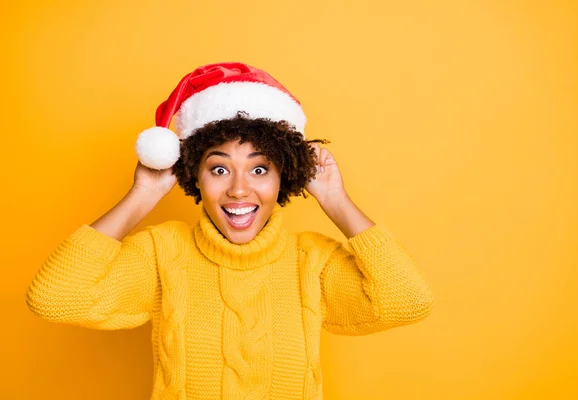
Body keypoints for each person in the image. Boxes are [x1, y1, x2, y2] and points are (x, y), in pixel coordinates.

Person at [26, 62, 434, 399]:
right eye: (219, 169)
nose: (239, 189)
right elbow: (55, 297)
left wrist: (335, 200)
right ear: (194, 177)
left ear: (284, 178)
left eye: (260, 169)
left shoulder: (313, 262)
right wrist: (142, 195)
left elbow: (408, 301)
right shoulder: (162, 253)